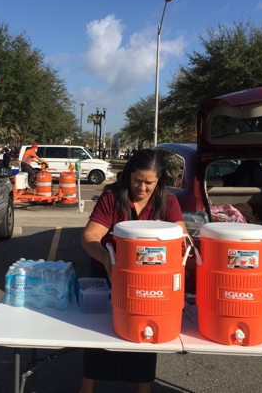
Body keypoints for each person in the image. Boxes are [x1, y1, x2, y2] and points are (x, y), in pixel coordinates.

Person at [79, 149, 188, 393]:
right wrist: (108, 260)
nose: (142, 187)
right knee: (100, 332)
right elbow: (89, 237)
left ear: (159, 180)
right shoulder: (112, 197)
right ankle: (88, 385)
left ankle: (142, 386)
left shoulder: (168, 201)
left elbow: (181, 237)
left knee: (144, 330)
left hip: (149, 281)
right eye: (138, 180)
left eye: (150, 182)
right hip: (107, 271)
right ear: (128, 174)